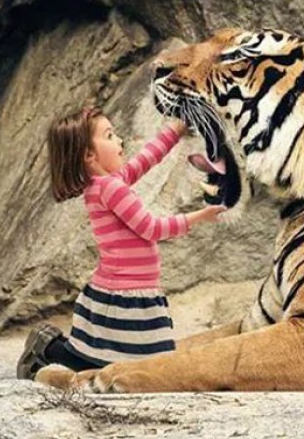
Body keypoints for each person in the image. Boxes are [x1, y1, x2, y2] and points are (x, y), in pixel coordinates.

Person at [16, 107, 225, 380]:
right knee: (145, 366)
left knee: (107, 361)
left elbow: (145, 160)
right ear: (89, 155)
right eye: (110, 135)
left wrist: (174, 131)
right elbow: (151, 229)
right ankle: (49, 349)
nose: (120, 141)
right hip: (125, 295)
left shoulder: (107, 183)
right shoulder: (110, 189)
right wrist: (201, 216)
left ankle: (49, 348)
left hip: (126, 290)